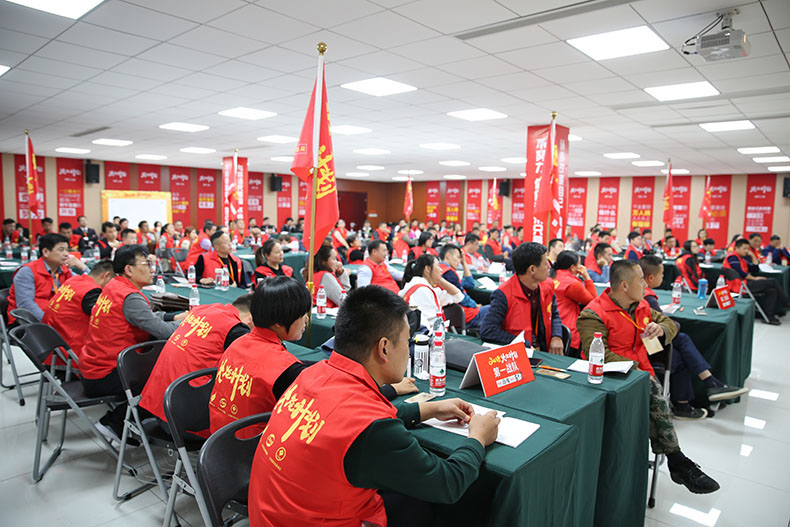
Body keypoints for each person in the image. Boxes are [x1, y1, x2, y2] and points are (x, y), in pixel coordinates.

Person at [248, 285, 500, 527]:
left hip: (272, 516)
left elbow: (349, 421)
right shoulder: (371, 427)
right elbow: (447, 484)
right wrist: (478, 437)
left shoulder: (313, 374)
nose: (408, 351)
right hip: (317, 519)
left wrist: (429, 409)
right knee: (438, 506)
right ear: (384, 348)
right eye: (407, 341)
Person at [576, 260, 720, 494]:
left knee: (652, 390)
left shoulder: (641, 307)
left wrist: (661, 329)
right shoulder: (593, 314)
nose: (645, 284)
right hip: (611, 378)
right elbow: (598, 355)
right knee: (653, 392)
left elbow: (671, 324)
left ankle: (676, 461)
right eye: (641, 280)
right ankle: (677, 460)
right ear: (624, 285)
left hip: (644, 376)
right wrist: (636, 371)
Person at [80, 245, 185, 439]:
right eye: (147, 264)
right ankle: (114, 422)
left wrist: (173, 317)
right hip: (107, 374)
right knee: (169, 376)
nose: (152, 269)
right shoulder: (130, 296)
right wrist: (190, 323)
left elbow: (143, 317)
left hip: (92, 366)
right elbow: (165, 333)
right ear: (129, 269)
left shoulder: (114, 286)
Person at [639, 256, 748, 417]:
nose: (663, 276)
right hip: (646, 348)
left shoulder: (644, 297)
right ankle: (708, 385)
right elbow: (668, 327)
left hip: (647, 343)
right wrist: (672, 326)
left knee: (681, 349)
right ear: (649, 278)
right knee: (681, 343)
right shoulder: (647, 298)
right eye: (662, 274)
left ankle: (690, 401)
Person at [139, 294, 254, 432]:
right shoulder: (235, 329)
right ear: (251, 318)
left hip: (159, 404)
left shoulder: (202, 310)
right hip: (186, 422)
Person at [480, 242, 564, 354]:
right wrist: (522, 343)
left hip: (544, 349)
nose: (549, 267)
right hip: (519, 353)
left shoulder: (548, 286)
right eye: (545, 264)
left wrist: (556, 336)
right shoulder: (503, 294)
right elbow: (488, 330)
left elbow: (554, 314)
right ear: (532, 269)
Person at [42, 260, 114, 366]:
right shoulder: (91, 292)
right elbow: (108, 320)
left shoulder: (74, 280)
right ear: (106, 276)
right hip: (70, 354)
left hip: (51, 346)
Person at [7, 233, 87, 324]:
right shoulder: (27, 272)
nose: (66, 254)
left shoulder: (64, 270)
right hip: (29, 323)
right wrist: (49, 323)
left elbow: (89, 285)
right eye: (61, 250)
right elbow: (26, 305)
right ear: (45, 252)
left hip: (56, 318)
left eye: (67, 250)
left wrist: (83, 267)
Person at [724, 239, 789, 324]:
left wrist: (753, 257)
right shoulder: (733, 257)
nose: (746, 251)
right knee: (772, 281)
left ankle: (768, 317)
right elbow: (741, 272)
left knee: (772, 291)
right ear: (736, 248)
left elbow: (755, 269)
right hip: (740, 286)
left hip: (745, 283)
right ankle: (786, 302)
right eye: (744, 248)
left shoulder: (742, 258)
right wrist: (754, 278)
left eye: (748, 249)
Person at [399, 254, 463, 330]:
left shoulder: (426, 288)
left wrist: (440, 280)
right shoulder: (421, 290)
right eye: (438, 266)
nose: (441, 270)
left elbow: (458, 296)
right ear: (428, 269)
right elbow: (426, 326)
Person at [552, 251, 597, 355]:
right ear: (572, 267)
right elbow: (592, 301)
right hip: (566, 329)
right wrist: (587, 277)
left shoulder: (551, 276)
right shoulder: (572, 284)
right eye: (579, 264)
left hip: (552, 327)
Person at [438, 244, 490, 329]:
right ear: (448, 255)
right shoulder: (449, 273)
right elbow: (461, 297)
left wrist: (464, 262)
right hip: (464, 315)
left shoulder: (440, 270)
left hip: (454, 315)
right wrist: (475, 305)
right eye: (458, 257)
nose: (459, 261)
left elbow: (470, 284)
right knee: (496, 308)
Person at [305, 243, 351, 307]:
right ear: (323, 262)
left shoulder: (315, 273)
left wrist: (341, 274)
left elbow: (344, 291)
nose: (337, 263)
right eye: (334, 259)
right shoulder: (326, 276)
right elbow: (344, 301)